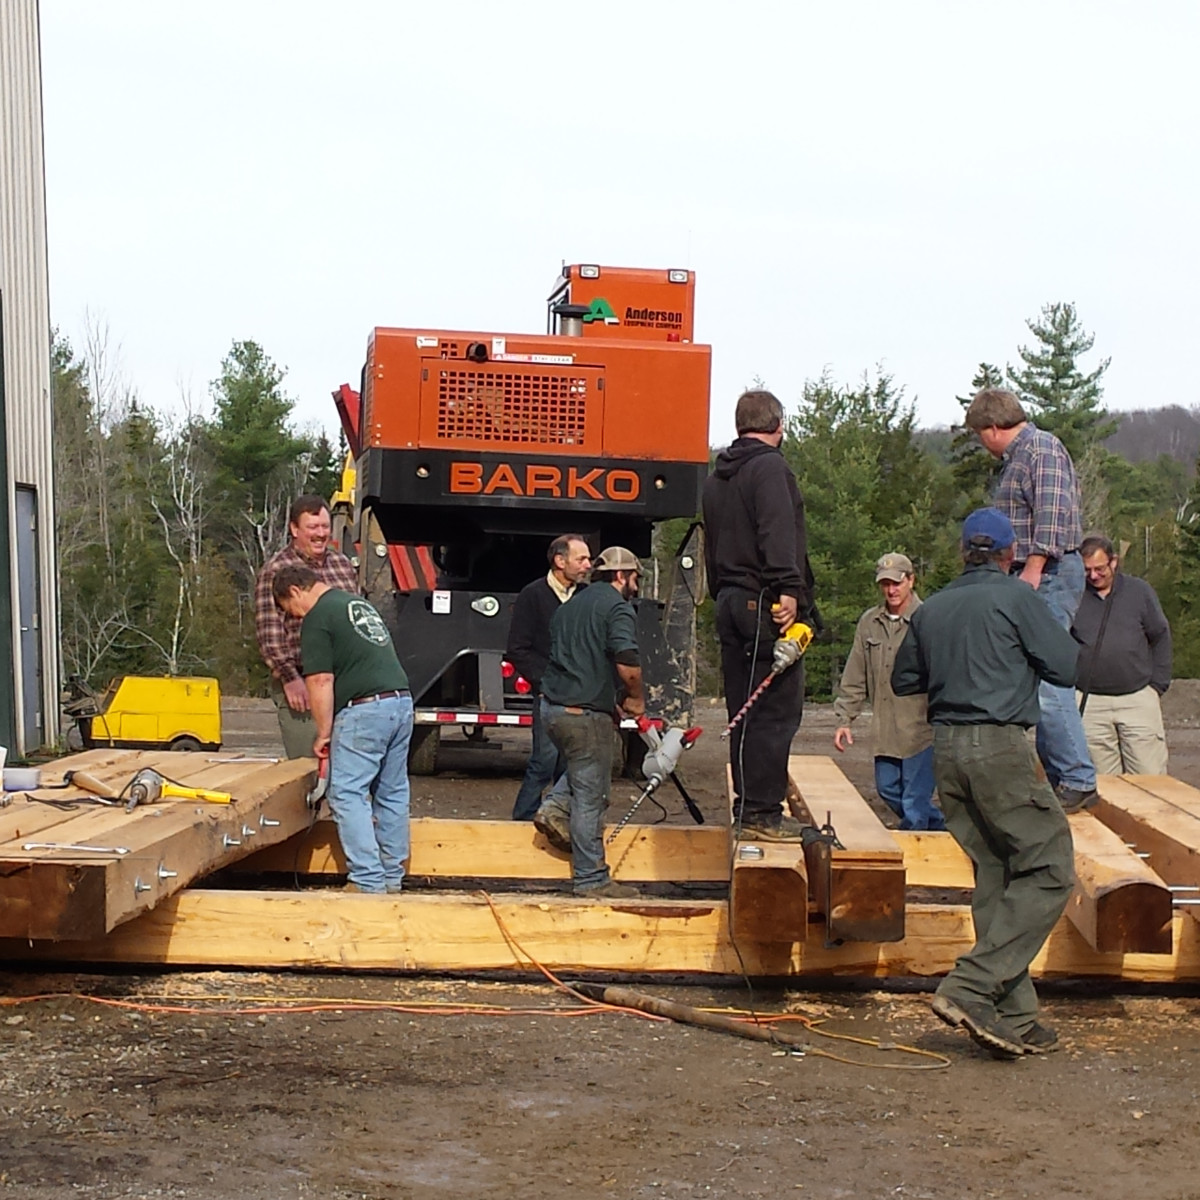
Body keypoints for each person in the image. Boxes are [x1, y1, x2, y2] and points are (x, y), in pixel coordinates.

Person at [892, 507, 1078, 1059]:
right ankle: (970, 987)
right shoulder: (1017, 598)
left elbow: (905, 679)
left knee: (996, 872)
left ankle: (1014, 1016)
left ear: (962, 553)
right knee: (1050, 869)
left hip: (947, 751)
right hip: (999, 745)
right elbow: (1066, 666)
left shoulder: (933, 608)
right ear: (1008, 555)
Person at [964, 388, 1098, 813]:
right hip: (1032, 573)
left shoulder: (1041, 448)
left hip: (1048, 573)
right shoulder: (1018, 457)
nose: (982, 444)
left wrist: (1034, 568)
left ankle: (1077, 778)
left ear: (992, 427)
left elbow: (1052, 513)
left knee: (1048, 678)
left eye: (979, 435)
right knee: (1033, 679)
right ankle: (1059, 777)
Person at [702, 389, 815, 841]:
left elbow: (712, 542)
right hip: (763, 600)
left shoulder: (717, 477)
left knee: (743, 708)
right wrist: (789, 587)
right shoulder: (769, 468)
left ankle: (749, 806)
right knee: (773, 710)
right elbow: (776, 529)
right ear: (779, 425)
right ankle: (761, 814)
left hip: (729, 599)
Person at [272, 564, 413, 894]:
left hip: (364, 709)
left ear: (295, 591)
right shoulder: (355, 604)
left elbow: (320, 680)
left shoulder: (318, 617)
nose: (293, 617)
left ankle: (367, 881)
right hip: (400, 702)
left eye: (289, 609)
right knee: (392, 792)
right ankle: (391, 877)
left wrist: (323, 732)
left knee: (347, 793)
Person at [533, 546, 644, 899]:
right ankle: (591, 879)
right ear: (621, 576)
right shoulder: (617, 607)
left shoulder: (568, 607)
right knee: (591, 797)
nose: (636, 586)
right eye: (635, 578)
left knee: (584, 771)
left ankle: (554, 808)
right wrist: (635, 697)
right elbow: (626, 660)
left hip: (552, 709)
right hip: (584, 714)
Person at [832, 553, 944, 831]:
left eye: (897, 583)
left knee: (914, 804)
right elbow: (855, 673)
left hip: (921, 731)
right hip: (885, 731)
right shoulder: (869, 622)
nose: (891, 590)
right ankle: (944, 832)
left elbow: (944, 673)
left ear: (911, 580)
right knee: (888, 790)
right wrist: (845, 719)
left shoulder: (929, 619)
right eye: (885, 584)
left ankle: (915, 853)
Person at [255, 495, 359, 759]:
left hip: (344, 683)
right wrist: (290, 678)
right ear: (294, 529)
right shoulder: (276, 571)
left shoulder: (343, 566)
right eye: (313, 527)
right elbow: (270, 633)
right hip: (302, 682)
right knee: (308, 765)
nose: (321, 534)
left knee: (347, 766)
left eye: (325, 526)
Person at [507, 535, 593, 821]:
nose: (588, 565)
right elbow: (517, 649)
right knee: (543, 761)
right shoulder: (532, 595)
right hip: (548, 695)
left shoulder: (586, 596)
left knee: (569, 764)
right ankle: (522, 818)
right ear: (560, 561)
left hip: (579, 696)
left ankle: (559, 819)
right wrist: (545, 683)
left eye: (588, 559)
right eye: (581, 559)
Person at [1072, 535, 1172, 775]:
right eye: (1087, 570)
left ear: (1114, 562)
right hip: (1090, 702)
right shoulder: (1073, 595)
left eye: (1099, 568)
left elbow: (1160, 635)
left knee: (1150, 778)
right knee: (1104, 785)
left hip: (1137, 698)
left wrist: (1156, 685)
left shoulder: (1139, 591)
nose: (1093, 576)